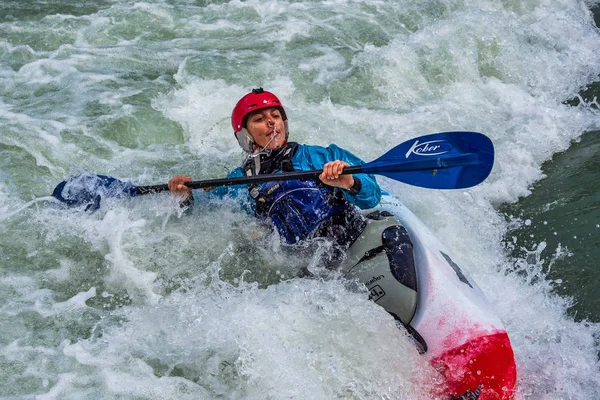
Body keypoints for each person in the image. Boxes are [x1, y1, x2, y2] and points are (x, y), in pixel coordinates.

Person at [168, 88, 381, 250]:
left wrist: (349, 182)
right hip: (308, 259)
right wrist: (185, 196)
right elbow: (209, 212)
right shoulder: (240, 181)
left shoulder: (320, 157)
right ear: (245, 135)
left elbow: (372, 197)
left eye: (275, 116)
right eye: (260, 119)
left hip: (352, 238)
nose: (271, 122)